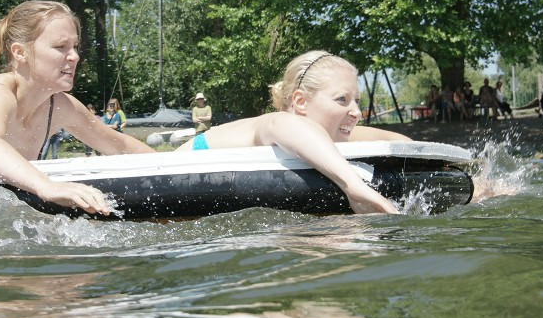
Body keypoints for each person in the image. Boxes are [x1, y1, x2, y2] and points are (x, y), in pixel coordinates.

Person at [0, 0, 154, 216]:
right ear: (20, 52)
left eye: (75, 47)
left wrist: (179, 166)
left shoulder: (60, 105)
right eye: (60, 47)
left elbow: (120, 145)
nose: (75, 56)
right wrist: (47, 186)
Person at [174, 51, 410, 214]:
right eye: (342, 100)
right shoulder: (276, 123)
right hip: (176, 177)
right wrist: (353, 186)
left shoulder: (326, 135)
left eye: (356, 101)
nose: (356, 112)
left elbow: (395, 140)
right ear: (301, 102)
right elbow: (285, 126)